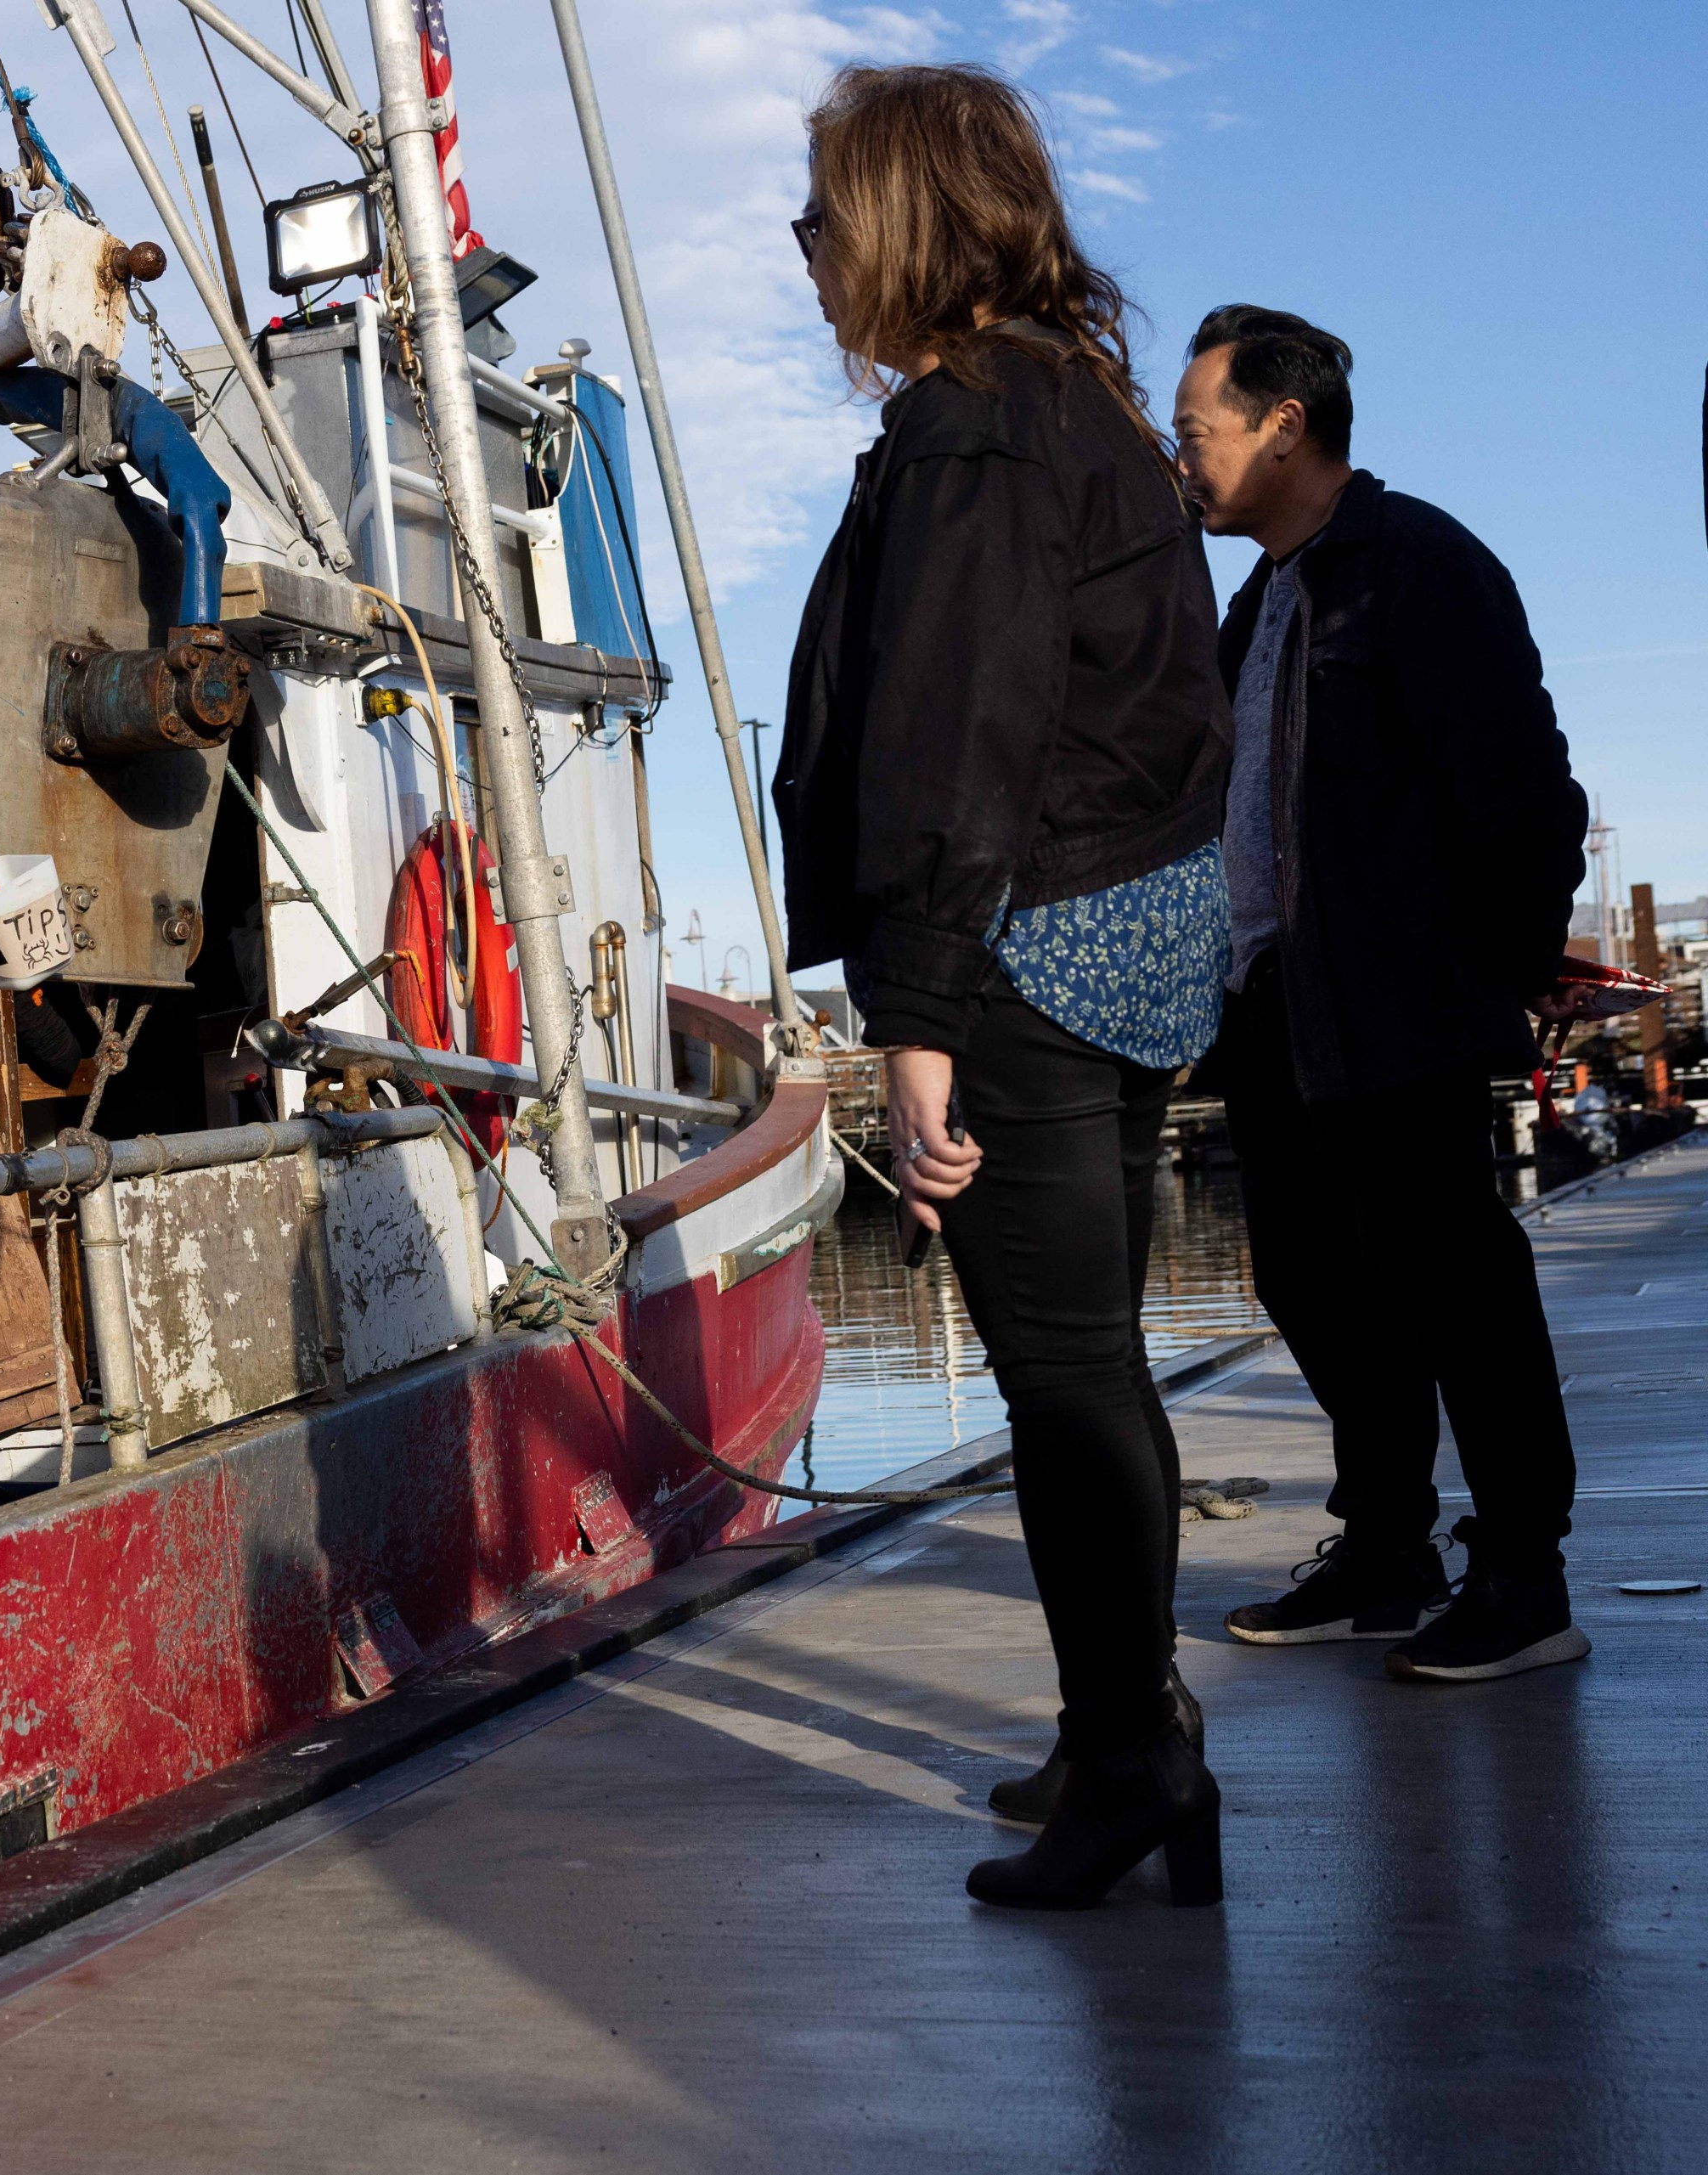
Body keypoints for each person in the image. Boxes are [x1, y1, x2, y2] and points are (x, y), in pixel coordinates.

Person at [771, 63, 1233, 1909]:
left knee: (1060, 1377)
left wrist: (922, 1019)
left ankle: (1136, 1762)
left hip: (1025, 958)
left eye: (823, 219)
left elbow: (956, 735)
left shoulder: (975, 426)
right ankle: (1130, 1727)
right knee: (1092, 1365)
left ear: (900, 217)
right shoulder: (1082, 407)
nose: (806, 258)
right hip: (1117, 945)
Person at [1173, 305, 1593, 1681]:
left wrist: (1501, 972)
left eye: (1198, 434)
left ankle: (1526, 1580)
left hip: (1398, 997)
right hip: (1277, 999)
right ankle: (1388, 1546)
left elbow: (1525, 791)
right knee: (1308, 1273)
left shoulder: (1417, 569)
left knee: (1457, 1278)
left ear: (1283, 427)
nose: (1187, 461)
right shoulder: (1263, 601)